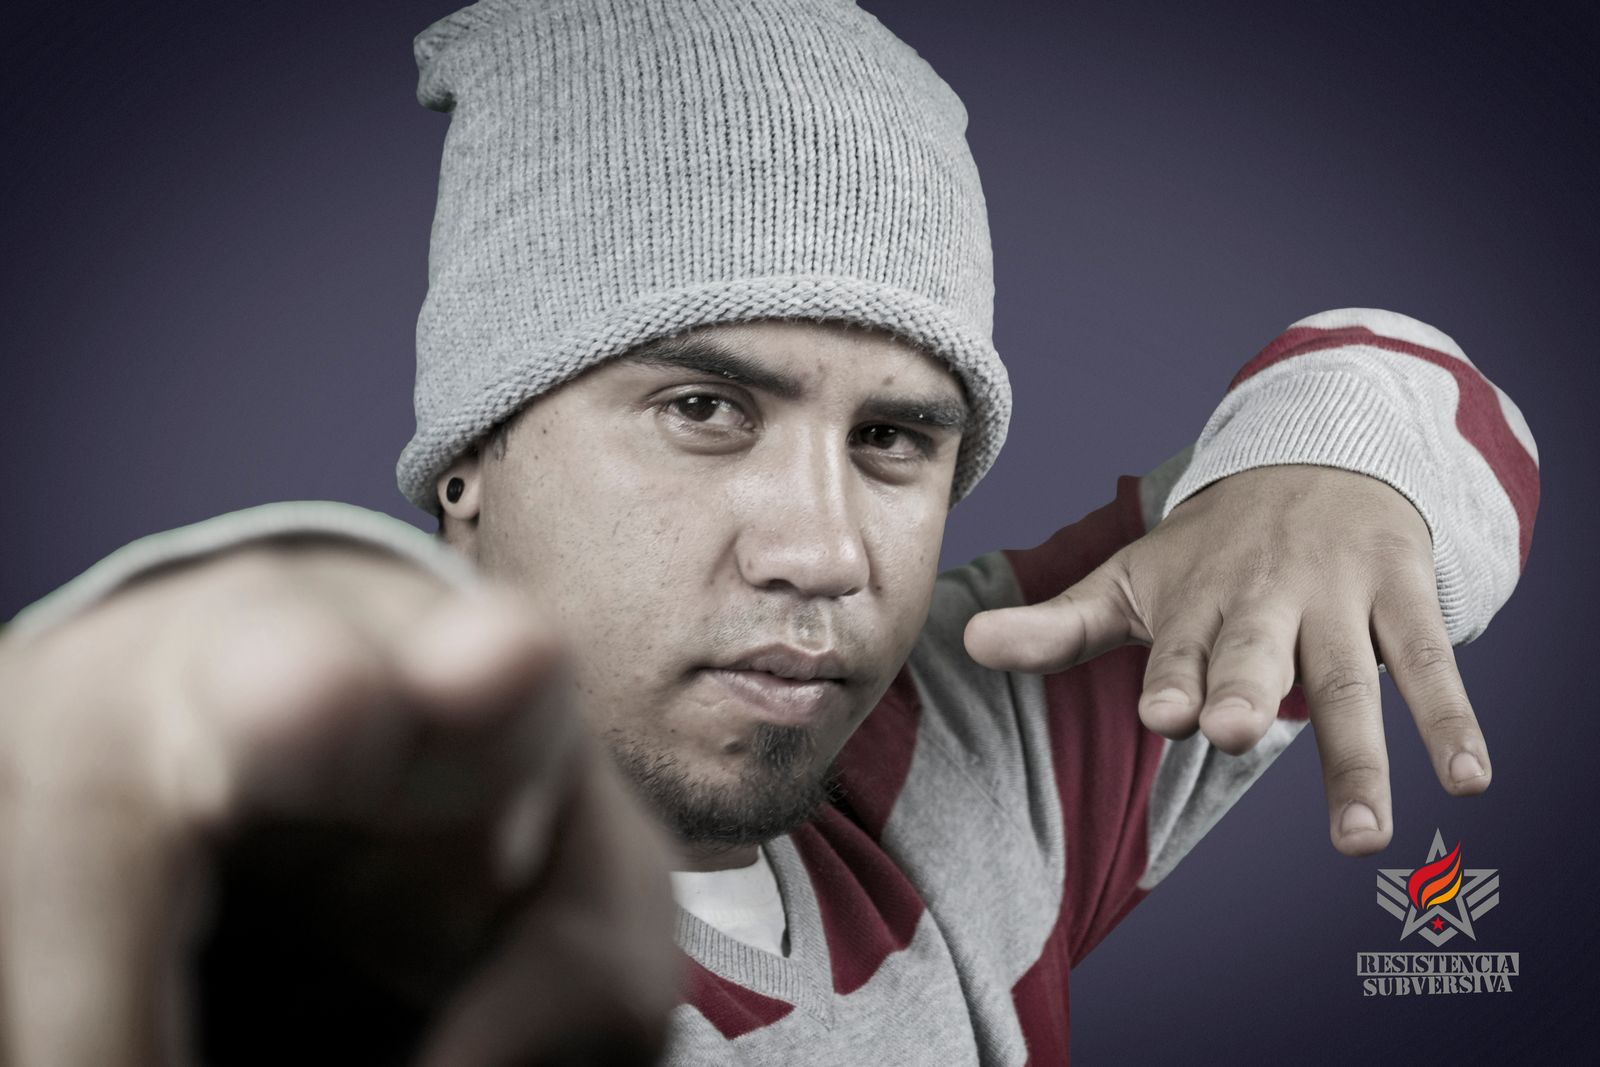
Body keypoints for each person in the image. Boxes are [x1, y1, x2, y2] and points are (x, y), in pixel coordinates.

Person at [0, 1, 1539, 1064]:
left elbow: (1429, 399)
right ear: (470, 456)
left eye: (891, 441)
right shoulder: (365, 911)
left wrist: (1331, 478)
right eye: (703, 410)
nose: (824, 551)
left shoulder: (985, 757)